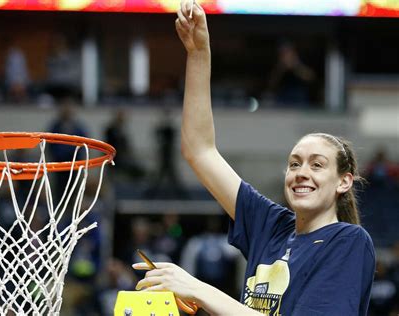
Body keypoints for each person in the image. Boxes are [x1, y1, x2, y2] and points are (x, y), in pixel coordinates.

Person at [132, 2, 375, 315]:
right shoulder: (271, 226)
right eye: (294, 163)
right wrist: (198, 54)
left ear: (344, 181)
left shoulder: (348, 242)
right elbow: (199, 150)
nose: (301, 172)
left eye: (317, 164)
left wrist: (200, 289)